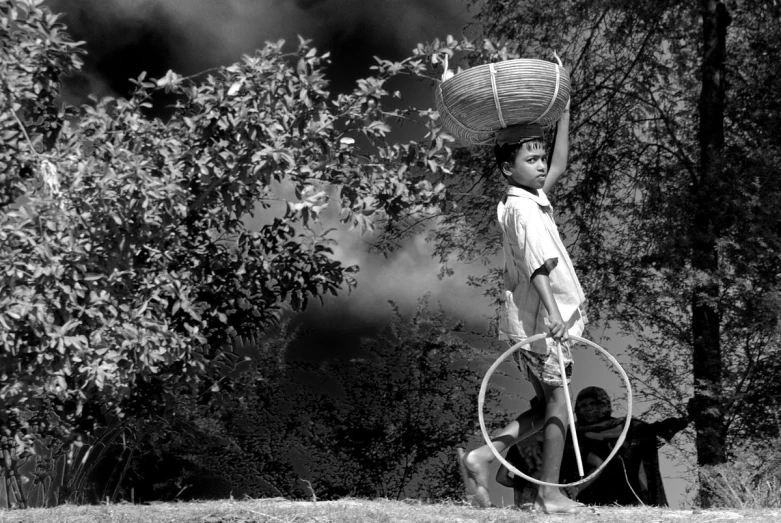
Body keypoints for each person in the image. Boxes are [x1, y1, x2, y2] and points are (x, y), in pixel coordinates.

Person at [457, 98, 592, 515]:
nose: (539, 165)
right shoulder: (523, 210)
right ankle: (550, 495)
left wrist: (564, 111)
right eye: (530, 158)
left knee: (545, 404)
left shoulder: (529, 200)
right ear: (506, 168)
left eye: (539, 157)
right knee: (558, 404)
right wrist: (553, 314)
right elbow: (538, 265)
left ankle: (482, 457)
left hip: (531, 321)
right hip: (540, 322)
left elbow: (560, 166)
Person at [562, 386, 689, 506]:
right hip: (588, 495)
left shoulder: (628, 426)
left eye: (592, 403)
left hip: (629, 493)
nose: (588, 408)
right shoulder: (571, 433)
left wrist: (685, 420)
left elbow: (655, 431)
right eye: (583, 405)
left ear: (603, 404)